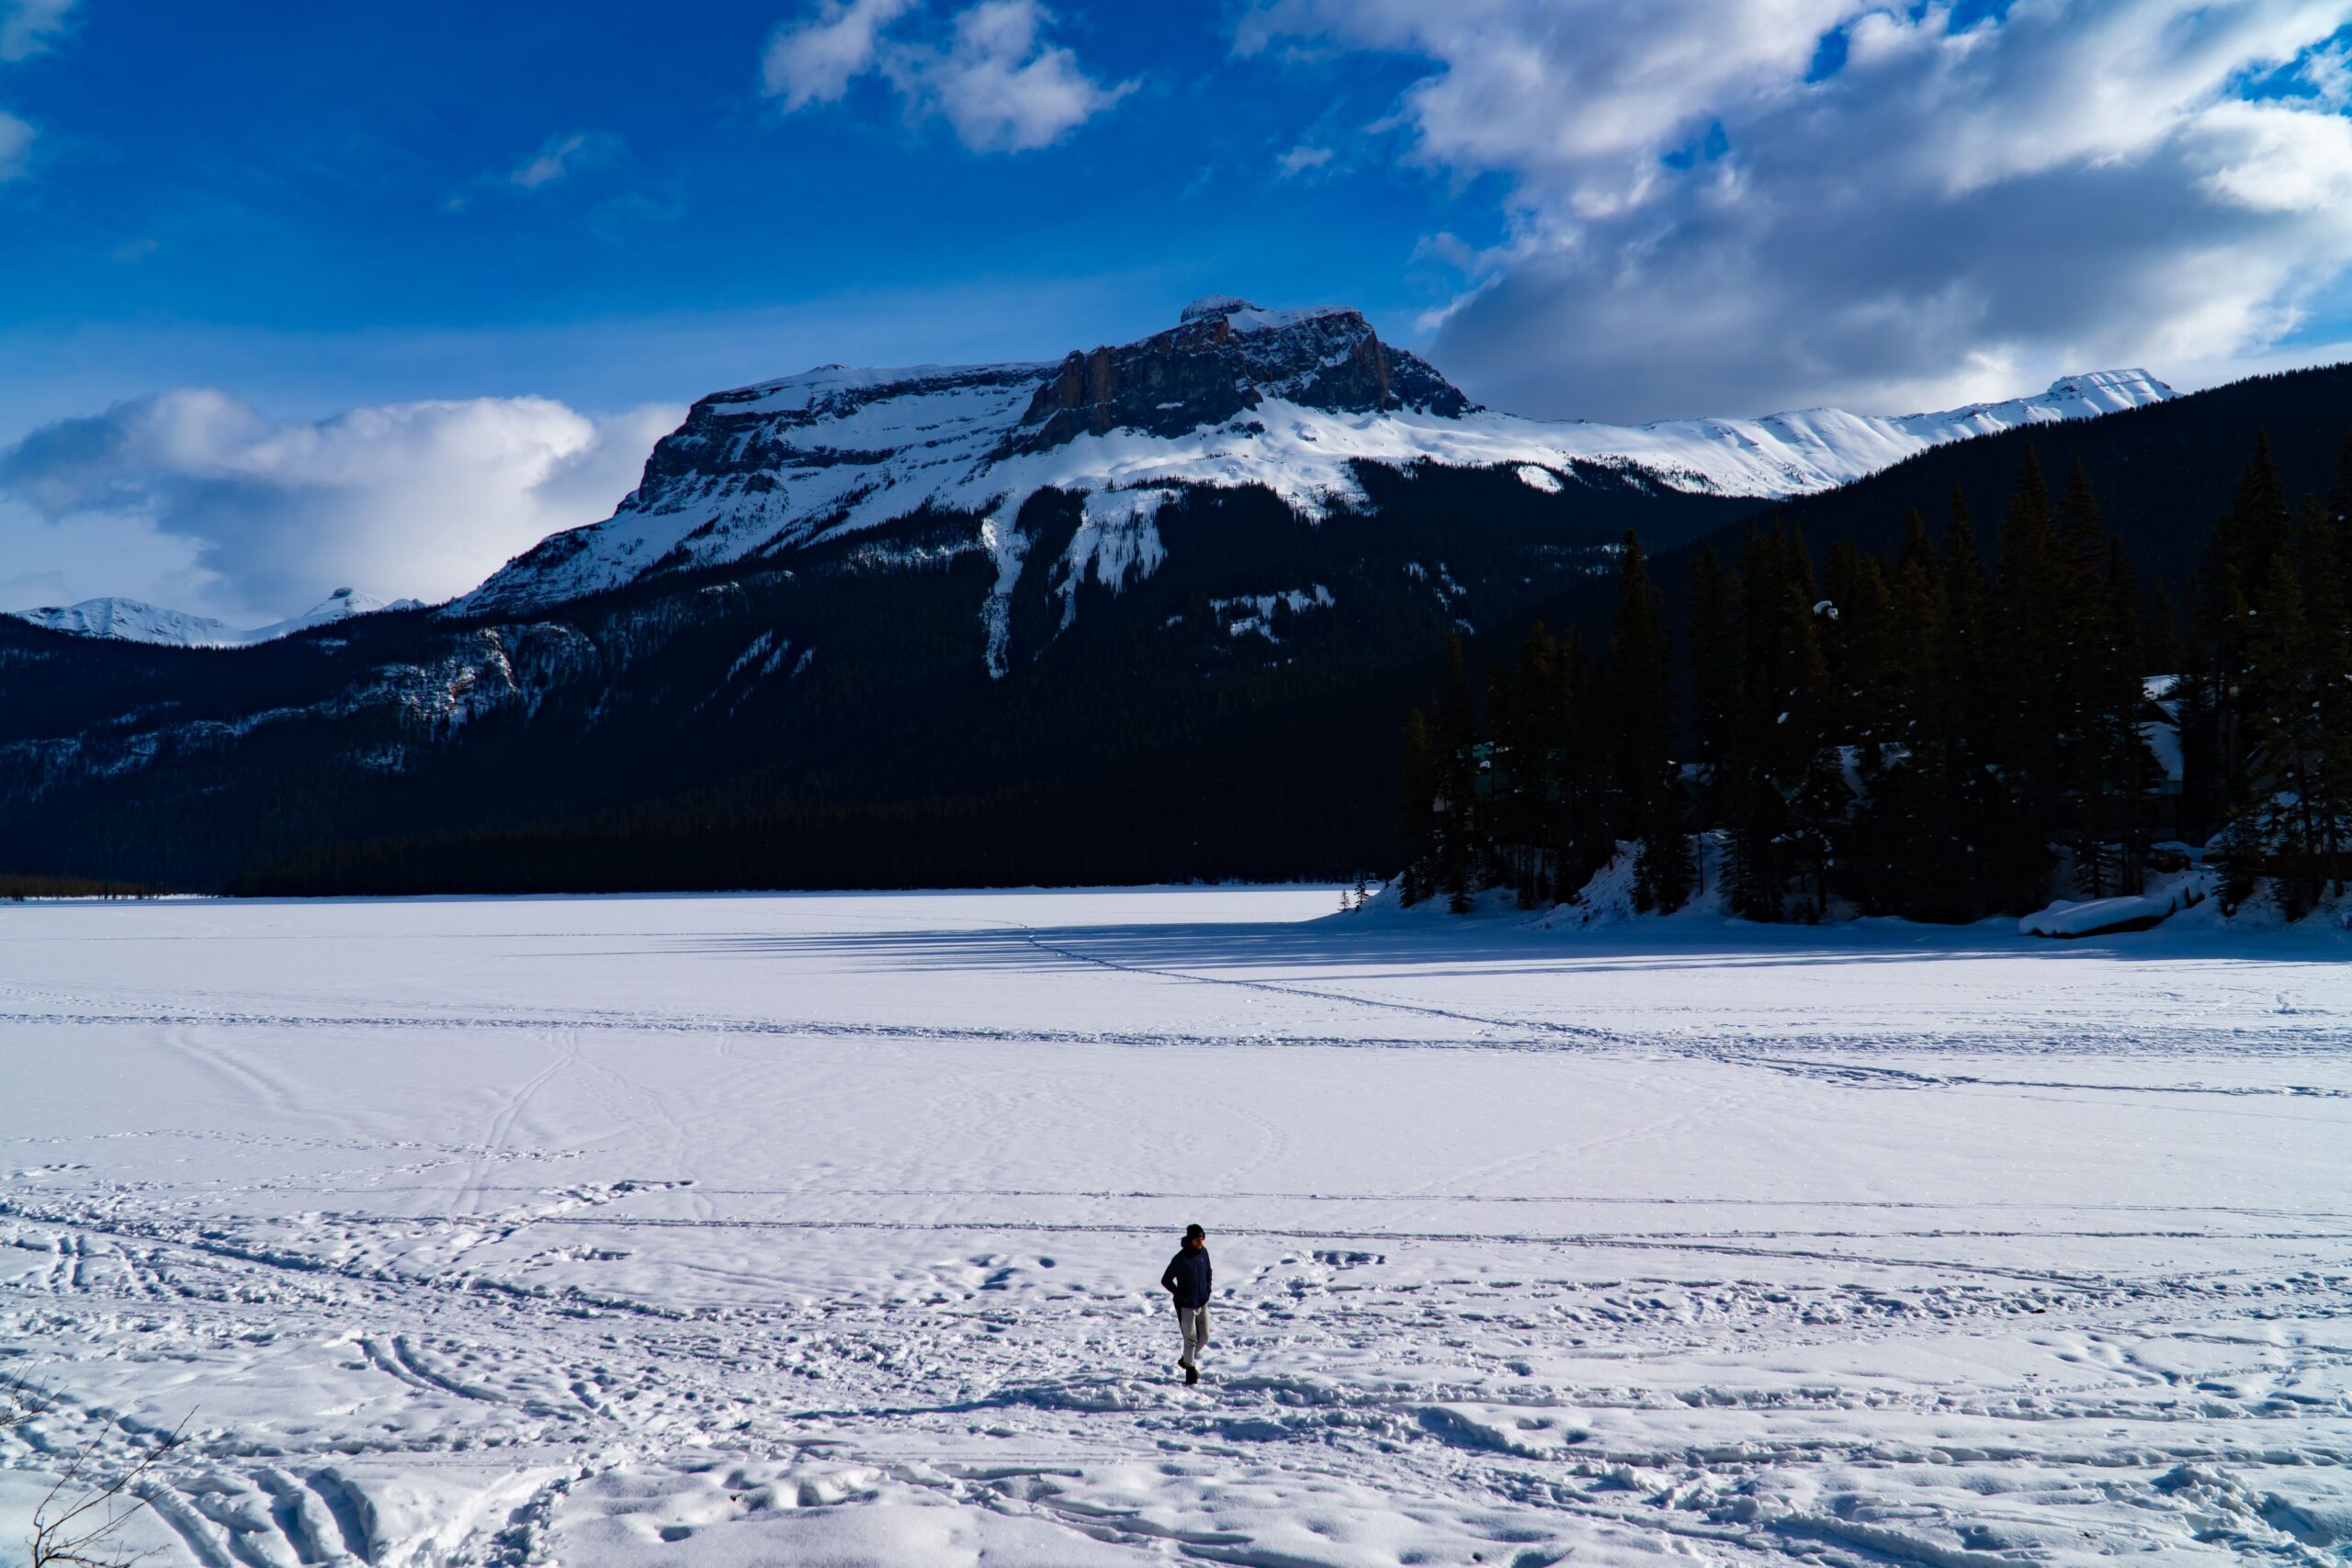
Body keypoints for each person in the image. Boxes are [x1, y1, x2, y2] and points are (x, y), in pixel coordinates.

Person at [1160, 1223, 1212, 1384]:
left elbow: (1208, 1272)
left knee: (1204, 1337)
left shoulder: (1204, 1253)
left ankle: (1185, 1360)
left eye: (1202, 1239)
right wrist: (1181, 1295)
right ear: (1190, 1240)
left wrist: (1208, 1290)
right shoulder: (1180, 1258)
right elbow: (1166, 1280)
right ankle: (1190, 1370)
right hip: (1186, 1306)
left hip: (1202, 1302)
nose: (1200, 1242)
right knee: (1191, 1339)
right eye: (1197, 1239)